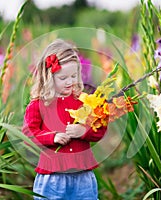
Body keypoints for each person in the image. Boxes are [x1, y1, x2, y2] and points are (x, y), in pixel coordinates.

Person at [22, 39, 107, 200]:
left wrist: (84, 131)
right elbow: (28, 134)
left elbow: (100, 127)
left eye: (74, 76)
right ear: (48, 77)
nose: (70, 82)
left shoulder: (84, 101)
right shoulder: (39, 104)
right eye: (63, 78)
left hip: (83, 176)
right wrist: (51, 137)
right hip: (53, 178)